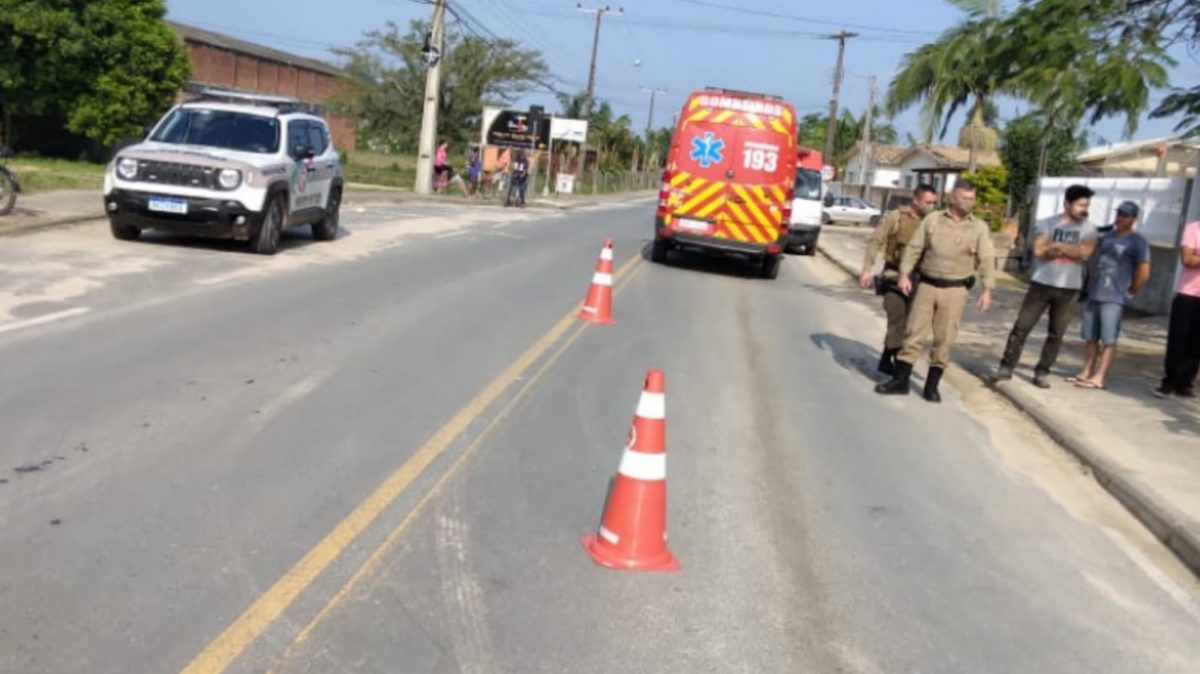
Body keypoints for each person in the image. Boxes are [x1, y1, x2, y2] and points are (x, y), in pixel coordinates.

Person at [875, 181, 995, 402]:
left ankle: (932, 386)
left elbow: (986, 258)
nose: (970, 202)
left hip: (955, 289)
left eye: (972, 198)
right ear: (952, 197)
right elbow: (914, 248)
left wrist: (987, 289)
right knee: (913, 333)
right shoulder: (933, 220)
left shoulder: (978, 227)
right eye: (965, 198)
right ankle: (900, 381)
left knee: (945, 338)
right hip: (927, 286)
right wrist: (903, 274)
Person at [992, 184, 1099, 388]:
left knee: (1056, 333)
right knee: (1022, 327)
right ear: (1067, 203)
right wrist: (1067, 250)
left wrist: (1059, 247)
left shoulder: (1089, 229)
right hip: (1041, 284)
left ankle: (1042, 371)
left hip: (1070, 289)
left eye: (1087, 205)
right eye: (1080, 205)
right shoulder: (1047, 223)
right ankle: (1006, 367)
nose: (1085, 209)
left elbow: (1085, 252)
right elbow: (1040, 250)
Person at [1069, 201, 1151, 390]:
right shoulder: (1107, 236)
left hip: (1114, 296)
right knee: (1090, 336)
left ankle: (1100, 376)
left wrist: (1131, 292)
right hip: (1095, 292)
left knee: (1109, 339)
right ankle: (1086, 371)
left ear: (1133, 219)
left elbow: (1144, 271)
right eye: (1119, 214)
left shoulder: (1138, 241)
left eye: (1125, 215)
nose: (1120, 218)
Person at [860, 185, 940, 375]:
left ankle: (889, 356)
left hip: (920, 279)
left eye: (934, 203)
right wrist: (866, 269)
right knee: (897, 319)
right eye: (928, 202)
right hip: (893, 277)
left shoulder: (934, 222)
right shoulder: (896, 217)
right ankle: (894, 361)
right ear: (916, 200)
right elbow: (876, 241)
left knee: (912, 325)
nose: (932, 206)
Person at [1156, 218, 1200, 398]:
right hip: (1187, 294)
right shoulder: (1193, 229)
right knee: (1178, 340)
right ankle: (1170, 380)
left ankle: (1185, 383)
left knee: (1197, 343)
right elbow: (1188, 259)